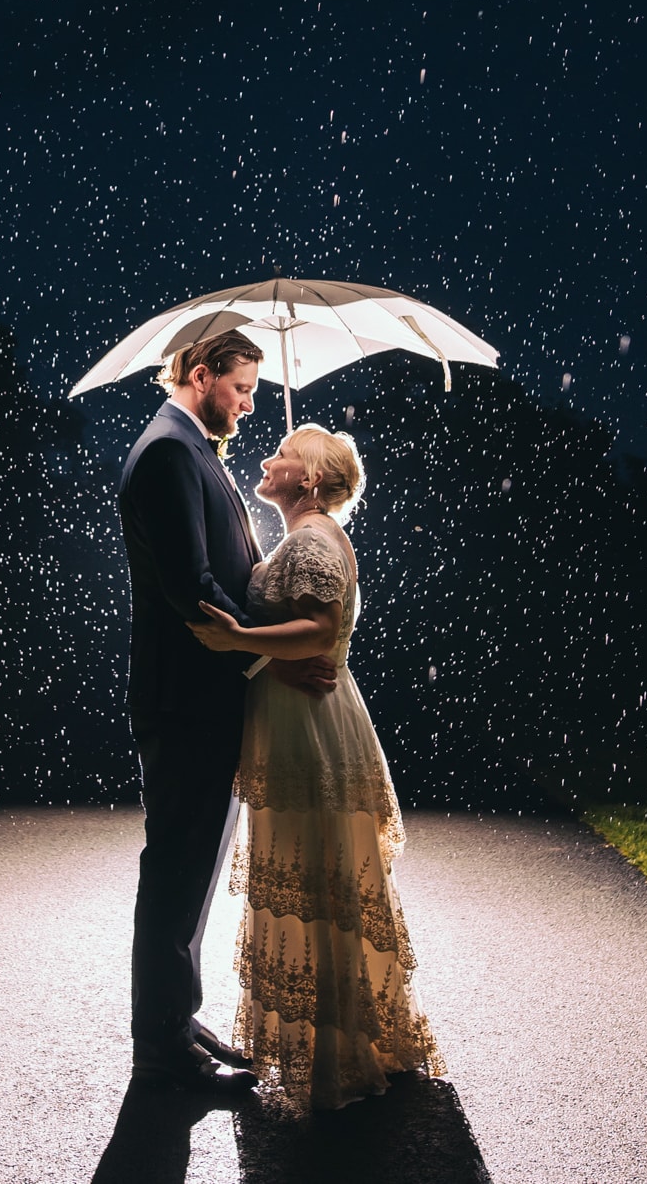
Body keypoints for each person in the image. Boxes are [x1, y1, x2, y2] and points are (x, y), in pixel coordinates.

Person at [188, 423, 444, 1110]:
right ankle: (345, 1036)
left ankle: (335, 1053)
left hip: (308, 727)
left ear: (307, 478)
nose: (266, 459)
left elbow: (322, 629)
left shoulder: (314, 539)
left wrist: (240, 636)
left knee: (316, 878)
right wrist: (266, 651)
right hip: (299, 715)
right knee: (318, 877)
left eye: (283, 452)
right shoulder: (302, 538)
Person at [117, 329, 336, 1092]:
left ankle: (178, 1015)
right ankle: (161, 1045)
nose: (247, 404)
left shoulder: (194, 448)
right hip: (185, 699)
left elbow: (229, 570)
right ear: (201, 374)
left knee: (194, 866)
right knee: (176, 867)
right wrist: (268, 650)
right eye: (240, 388)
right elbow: (194, 586)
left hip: (206, 696)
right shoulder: (170, 451)